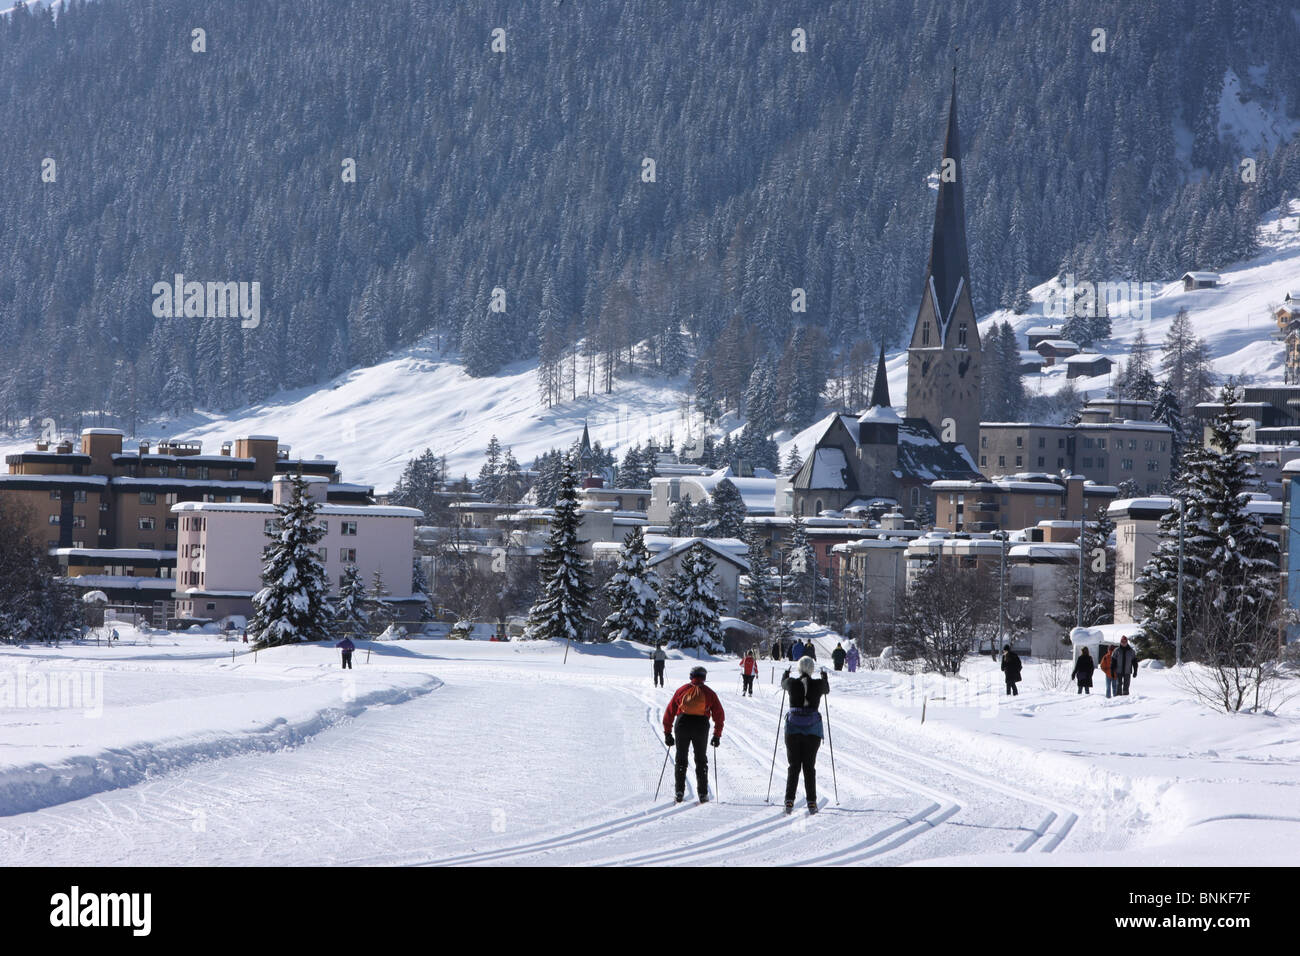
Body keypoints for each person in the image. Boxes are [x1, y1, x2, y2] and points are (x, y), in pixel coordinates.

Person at [662, 665, 725, 804]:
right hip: (701, 726)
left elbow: (669, 711)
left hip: (682, 724)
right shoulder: (709, 693)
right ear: (704, 677)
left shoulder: (682, 690)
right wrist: (717, 735)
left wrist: (667, 732)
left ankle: (679, 792)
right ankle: (703, 794)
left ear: (691, 676)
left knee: (681, 759)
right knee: (701, 760)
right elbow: (719, 715)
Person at [781, 656, 830, 815]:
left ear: (799, 668)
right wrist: (824, 677)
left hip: (793, 729)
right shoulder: (818, 684)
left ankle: (789, 800)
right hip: (812, 730)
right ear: (811, 669)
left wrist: (785, 674)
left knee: (794, 766)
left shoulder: (792, 683)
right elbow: (826, 689)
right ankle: (812, 802)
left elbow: (783, 683)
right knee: (809, 767)